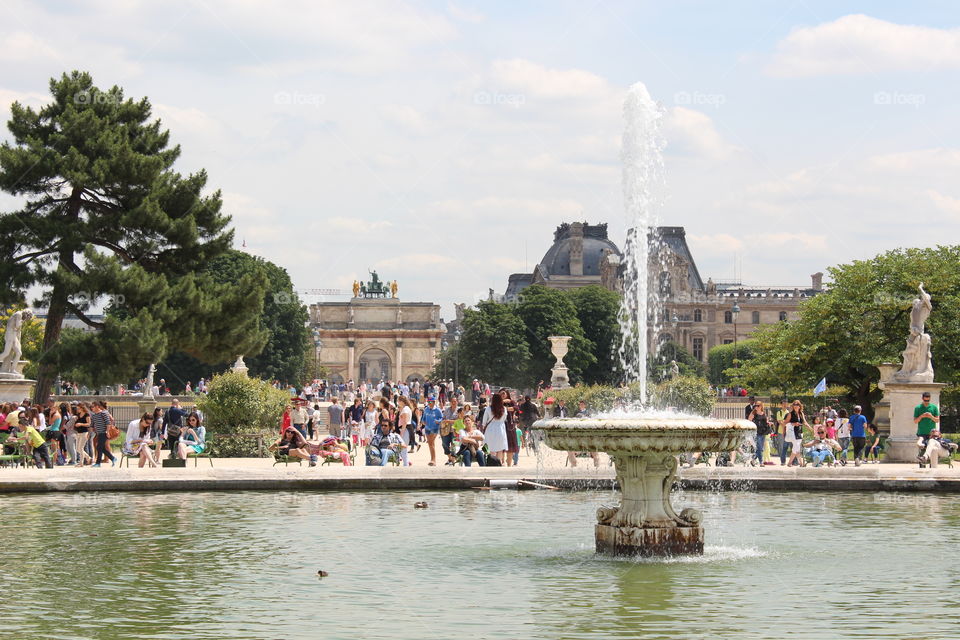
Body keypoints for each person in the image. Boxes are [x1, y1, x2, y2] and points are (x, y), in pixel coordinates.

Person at [481, 393, 508, 465]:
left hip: (490, 429)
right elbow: (504, 419)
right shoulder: (504, 409)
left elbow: (484, 422)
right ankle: (498, 464)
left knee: (490, 448)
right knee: (500, 449)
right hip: (501, 429)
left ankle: (491, 463)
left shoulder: (488, 409)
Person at [90, 400, 116, 467]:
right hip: (99, 433)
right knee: (101, 448)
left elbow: (108, 423)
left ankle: (98, 463)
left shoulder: (103, 413)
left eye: (92, 407)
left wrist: (107, 431)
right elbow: (92, 424)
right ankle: (112, 458)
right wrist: (91, 430)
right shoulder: (94, 415)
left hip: (104, 433)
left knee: (99, 447)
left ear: (97, 407)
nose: (91, 408)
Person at [784, 400, 808, 467]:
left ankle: (794, 463)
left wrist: (811, 429)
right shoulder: (790, 414)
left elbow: (805, 422)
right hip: (793, 433)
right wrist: (794, 424)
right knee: (796, 447)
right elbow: (785, 423)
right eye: (794, 404)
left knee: (796, 448)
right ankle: (798, 463)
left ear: (800, 406)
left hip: (800, 432)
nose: (795, 406)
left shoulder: (801, 413)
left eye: (797, 404)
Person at [422, 396, 443, 466]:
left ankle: (433, 460)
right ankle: (433, 459)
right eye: (428, 402)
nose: (429, 403)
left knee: (431, 442)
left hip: (435, 428)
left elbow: (442, 418)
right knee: (431, 444)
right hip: (427, 428)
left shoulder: (438, 410)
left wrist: (438, 421)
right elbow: (423, 418)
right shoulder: (426, 409)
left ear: (434, 402)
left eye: (430, 402)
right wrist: (423, 422)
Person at [750, 401, 771, 467]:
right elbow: (749, 421)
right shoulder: (753, 413)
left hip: (763, 432)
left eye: (758, 406)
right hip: (756, 433)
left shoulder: (764, 413)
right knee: (759, 447)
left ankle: (753, 459)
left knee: (760, 448)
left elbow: (766, 421)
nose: (756, 407)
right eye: (755, 405)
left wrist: (769, 423)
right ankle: (761, 462)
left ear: (761, 406)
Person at [440, 398, 459, 465]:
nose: (453, 403)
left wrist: (449, 421)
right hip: (446, 430)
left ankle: (453, 460)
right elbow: (443, 418)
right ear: (450, 402)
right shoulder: (447, 410)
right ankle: (450, 458)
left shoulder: (459, 410)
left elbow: (461, 420)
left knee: (454, 445)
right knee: (444, 444)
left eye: (455, 401)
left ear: (457, 402)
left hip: (456, 430)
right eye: (452, 401)